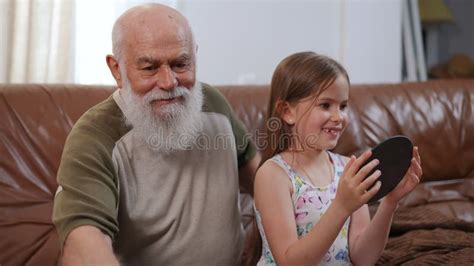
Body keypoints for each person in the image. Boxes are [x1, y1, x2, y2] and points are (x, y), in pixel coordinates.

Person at [52, 3, 259, 265]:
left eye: (180, 64)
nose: (169, 82)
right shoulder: (93, 136)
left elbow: (261, 179)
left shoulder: (213, 104)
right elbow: (83, 241)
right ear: (117, 69)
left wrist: (267, 233)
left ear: (194, 56)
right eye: (149, 68)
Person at [250, 52, 422, 265]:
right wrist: (341, 206)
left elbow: (363, 258)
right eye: (325, 105)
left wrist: (389, 203)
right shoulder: (273, 175)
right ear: (287, 112)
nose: (338, 117)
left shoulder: (348, 168)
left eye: (342, 106)